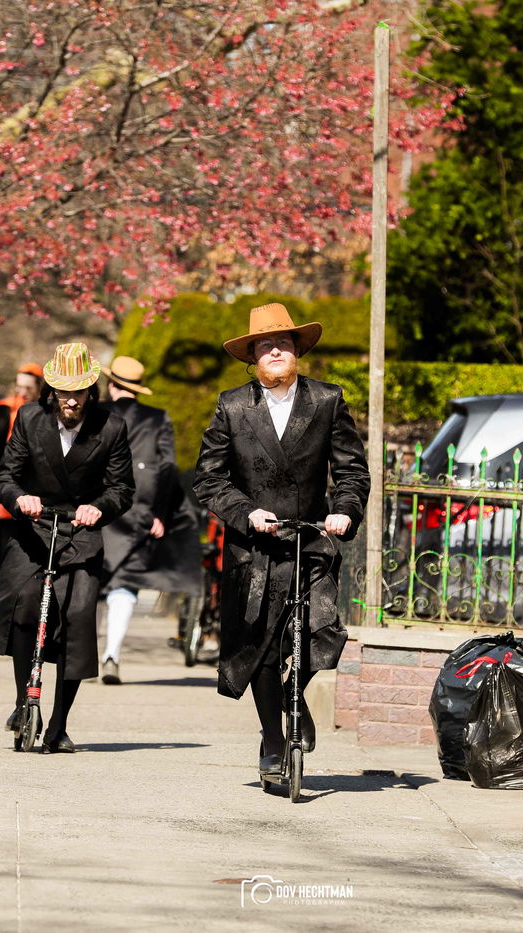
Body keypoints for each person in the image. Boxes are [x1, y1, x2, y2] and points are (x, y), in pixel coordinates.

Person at [193, 303, 370, 780]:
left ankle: (297, 699)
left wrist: (343, 511)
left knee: (324, 635)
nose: (275, 350)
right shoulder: (233, 405)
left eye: (284, 343)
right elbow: (209, 479)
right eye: (265, 345)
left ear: (297, 351)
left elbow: (352, 471)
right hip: (254, 547)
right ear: (252, 356)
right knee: (262, 646)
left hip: (312, 541)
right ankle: (273, 741)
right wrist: (246, 512)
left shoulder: (327, 400)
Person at [0, 343, 134, 753]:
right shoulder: (29, 418)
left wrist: (99, 508)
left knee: (78, 620)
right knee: (25, 608)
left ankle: (59, 724)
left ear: (91, 389)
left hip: (81, 530)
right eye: (63, 391)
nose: (71, 399)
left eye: (78, 391)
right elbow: (5, 474)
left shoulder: (110, 426)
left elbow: (122, 488)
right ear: (51, 389)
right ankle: (26, 700)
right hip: (35, 526)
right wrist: (18, 498)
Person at [98, 356, 202, 685]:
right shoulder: (157, 418)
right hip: (140, 506)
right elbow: (168, 468)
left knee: (91, 580)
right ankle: (111, 653)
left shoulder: (97, 413)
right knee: (125, 582)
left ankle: (81, 654)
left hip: (97, 504)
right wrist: (160, 512)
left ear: (111, 384)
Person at [0, 364, 45, 576]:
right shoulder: (3, 410)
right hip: (6, 497)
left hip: (36, 499)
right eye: (19, 387)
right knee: (3, 566)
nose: (22, 393)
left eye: (28, 388)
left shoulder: (45, 413)